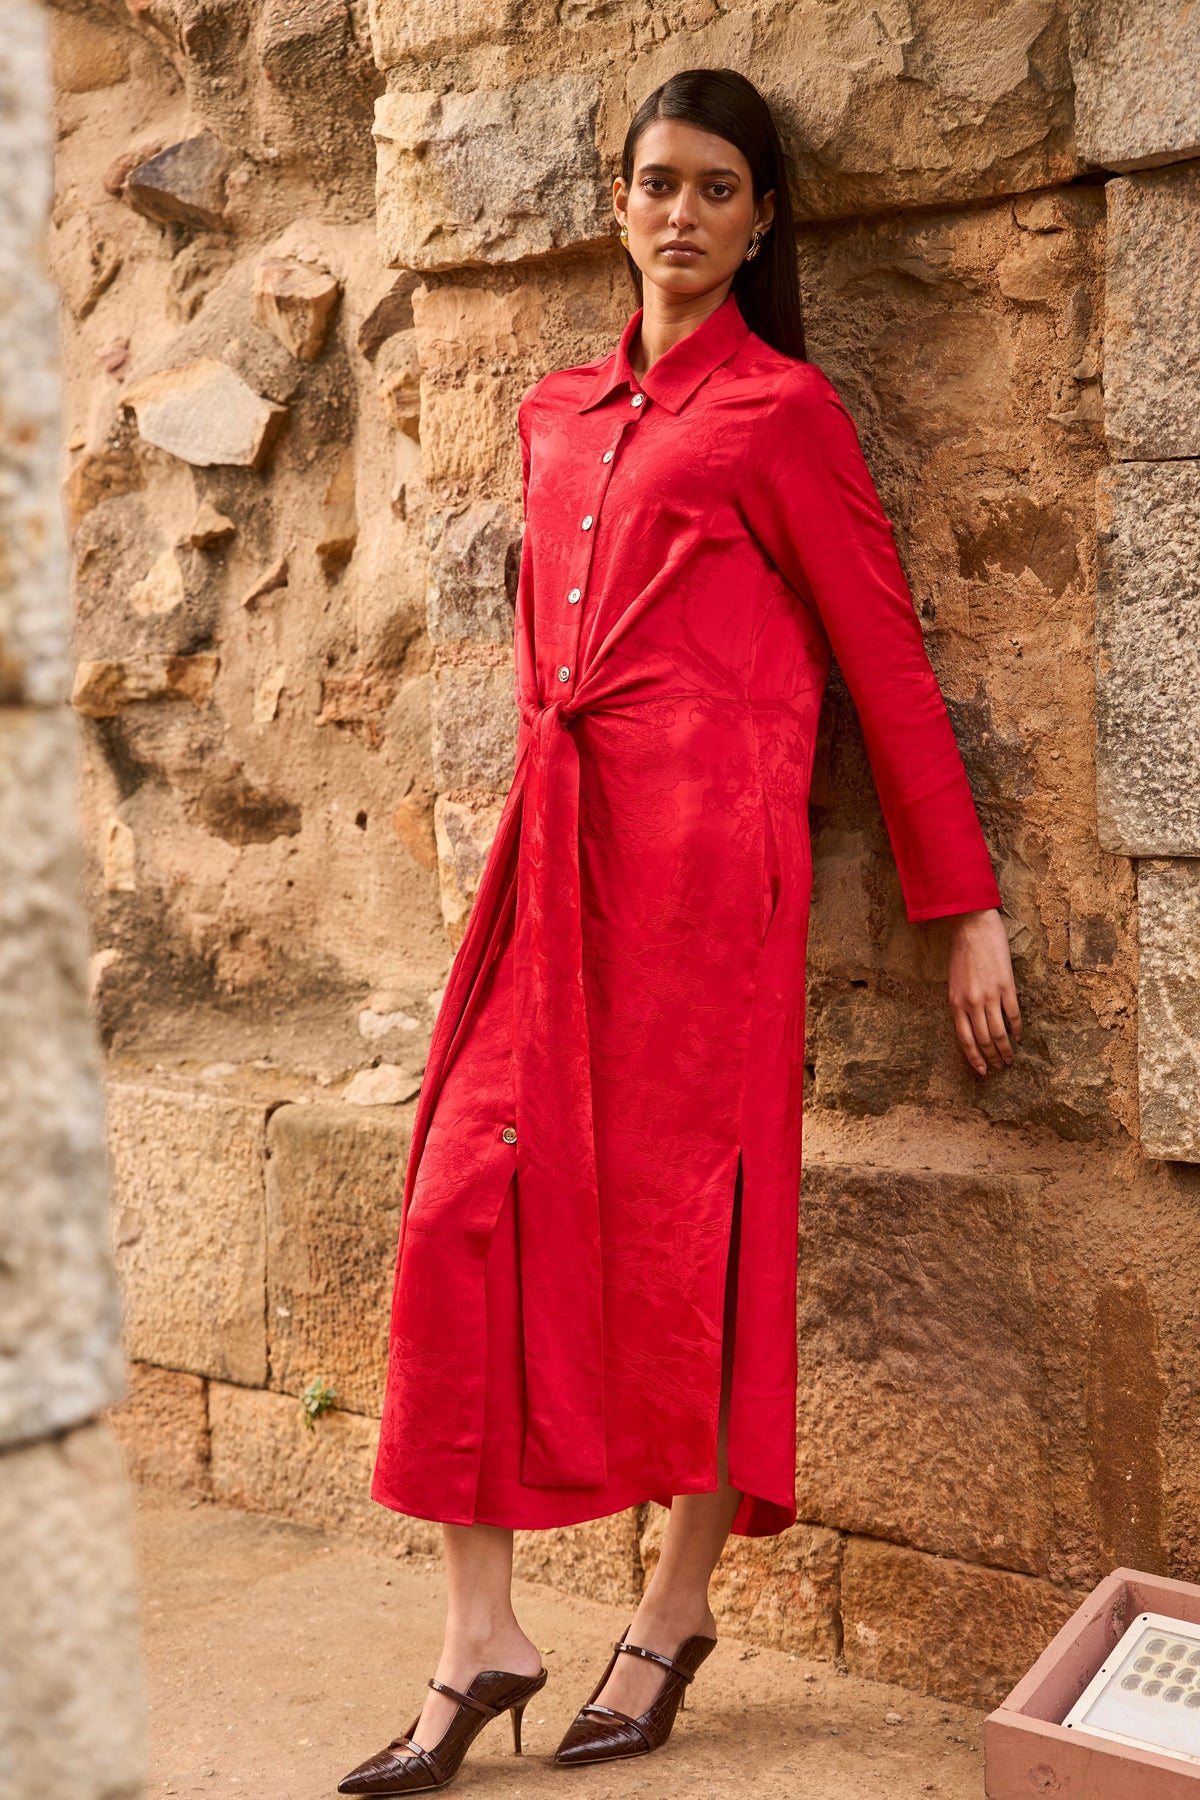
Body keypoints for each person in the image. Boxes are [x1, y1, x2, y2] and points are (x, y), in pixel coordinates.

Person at [339, 65, 1021, 1796]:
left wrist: (967, 909)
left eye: (721, 187)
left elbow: (885, 663)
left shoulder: (786, 413)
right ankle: (481, 1635)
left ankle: (672, 1606)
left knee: (698, 1242)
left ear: (764, 216)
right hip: (554, 861)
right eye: (659, 181)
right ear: (619, 202)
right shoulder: (556, 410)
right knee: (456, 1211)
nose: (684, 212)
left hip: (714, 893)